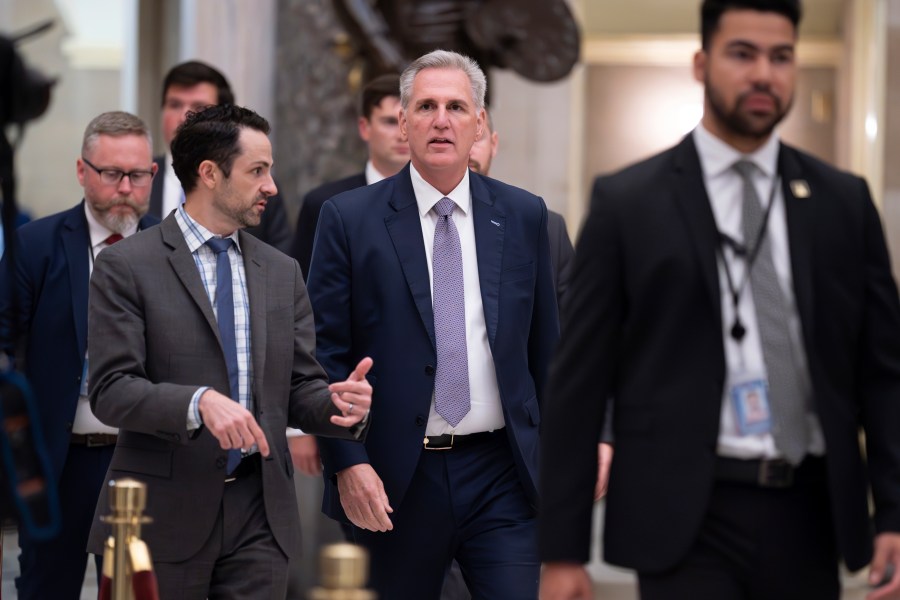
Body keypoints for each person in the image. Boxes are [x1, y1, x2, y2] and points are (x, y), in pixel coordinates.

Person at [538, 1, 900, 599]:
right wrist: (562, 550)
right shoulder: (629, 203)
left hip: (810, 512)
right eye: (743, 53)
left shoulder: (842, 202)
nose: (764, 73)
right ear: (702, 64)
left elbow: (882, 373)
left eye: (781, 57)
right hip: (685, 514)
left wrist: (893, 512)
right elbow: (580, 382)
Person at [84, 104, 374, 599]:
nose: (272, 187)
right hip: (160, 517)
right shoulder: (126, 266)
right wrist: (197, 402)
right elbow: (110, 392)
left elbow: (300, 389)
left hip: (261, 516)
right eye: (257, 171)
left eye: (271, 170)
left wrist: (337, 405)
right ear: (210, 174)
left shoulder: (282, 272)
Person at [307, 49, 559, 599]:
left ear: (479, 123)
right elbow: (323, 352)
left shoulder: (524, 216)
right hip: (396, 475)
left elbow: (548, 351)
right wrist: (347, 461)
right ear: (403, 121)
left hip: (503, 474)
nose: (441, 120)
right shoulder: (348, 219)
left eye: (456, 107)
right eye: (425, 106)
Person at [0, 111, 160, 599]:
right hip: (60, 460)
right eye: (111, 173)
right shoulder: (35, 246)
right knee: (46, 587)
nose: (125, 187)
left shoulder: (171, 248)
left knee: (140, 589)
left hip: (147, 459)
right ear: (81, 171)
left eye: (138, 174)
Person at [149, 60, 292, 253]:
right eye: (174, 105)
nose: (184, 116)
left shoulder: (263, 192)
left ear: (224, 118)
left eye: (198, 107)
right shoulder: (137, 179)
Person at [289, 73, 409, 280]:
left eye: (407, 122)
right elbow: (302, 291)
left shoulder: (440, 202)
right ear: (365, 128)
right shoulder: (323, 204)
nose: (401, 134)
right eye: (390, 122)